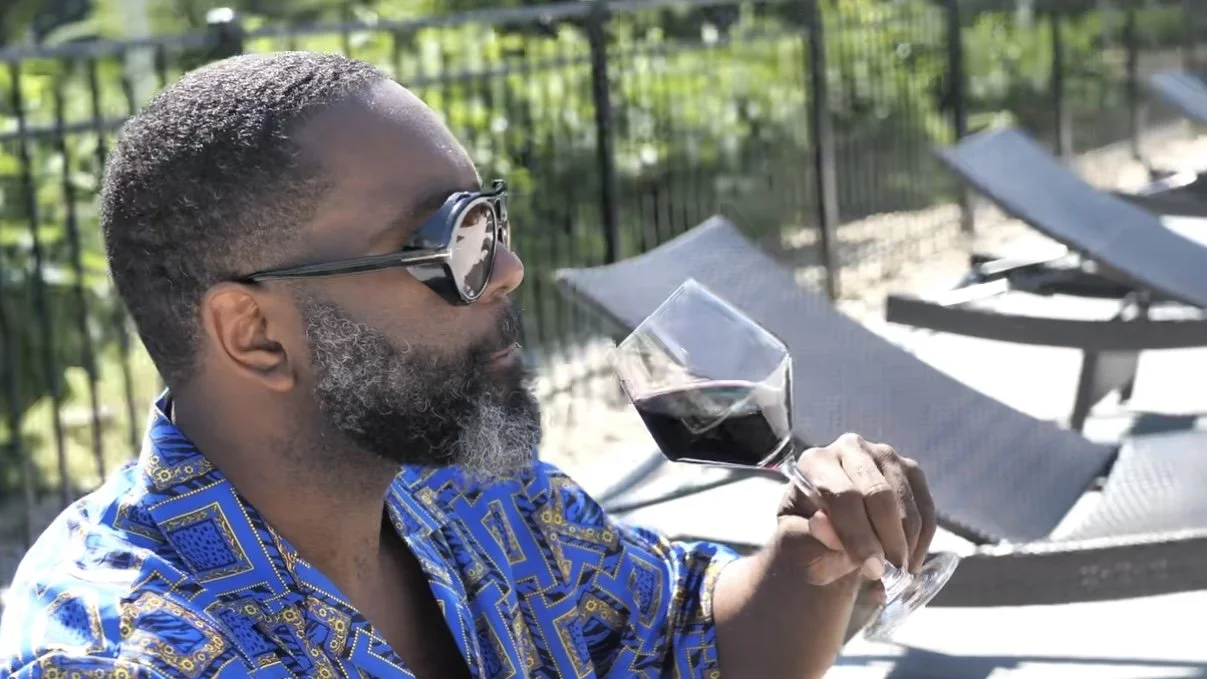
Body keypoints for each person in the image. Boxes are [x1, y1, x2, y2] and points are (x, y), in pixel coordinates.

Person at [0, 52, 935, 679]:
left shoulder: (470, 489)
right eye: (449, 241)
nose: (508, 268)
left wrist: (809, 555)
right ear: (255, 334)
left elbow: (686, 637)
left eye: (489, 219)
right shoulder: (127, 650)